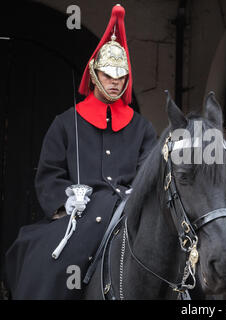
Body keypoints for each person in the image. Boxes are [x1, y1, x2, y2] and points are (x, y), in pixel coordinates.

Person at [4, 4, 157, 299]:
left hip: (127, 214)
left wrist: (133, 196)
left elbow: (148, 174)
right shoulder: (65, 123)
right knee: (46, 265)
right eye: (108, 74)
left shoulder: (142, 128)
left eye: (120, 76)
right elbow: (49, 175)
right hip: (81, 215)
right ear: (95, 73)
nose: (115, 81)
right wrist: (66, 200)